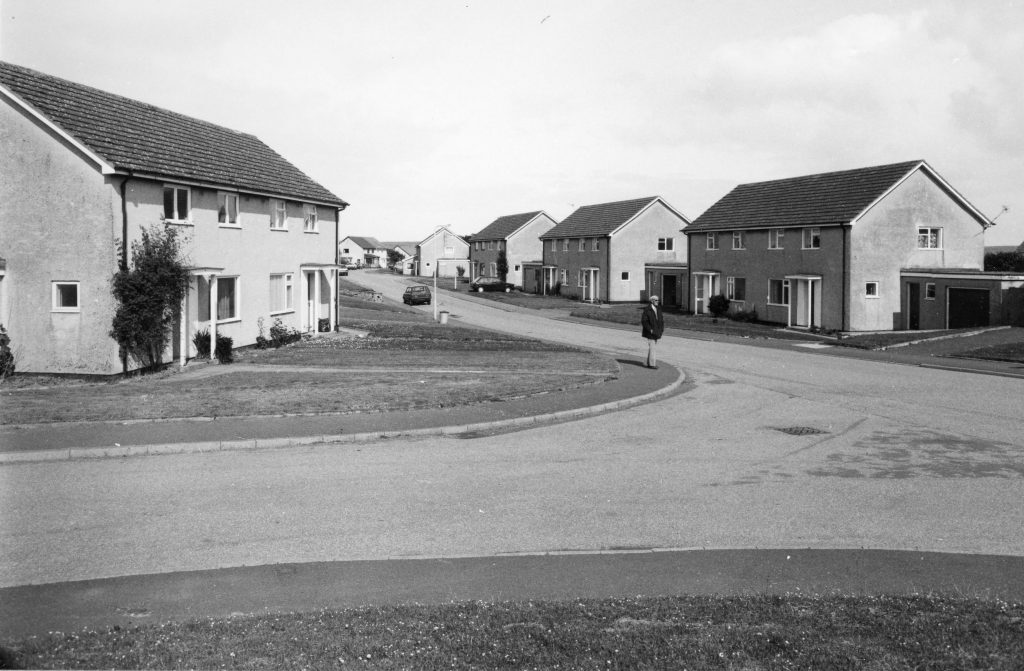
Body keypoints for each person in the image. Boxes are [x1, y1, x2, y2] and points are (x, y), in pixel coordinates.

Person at [640, 294, 665, 369]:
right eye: (656, 300)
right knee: (652, 347)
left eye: (658, 300)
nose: (658, 301)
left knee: (652, 347)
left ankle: (649, 363)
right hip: (650, 332)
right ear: (652, 301)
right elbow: (644, 321)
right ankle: (652, 364)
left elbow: (661, 320)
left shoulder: (658, 309)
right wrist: (650, 329)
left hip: (657, 331)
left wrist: (661, 329)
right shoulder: (647, 309)